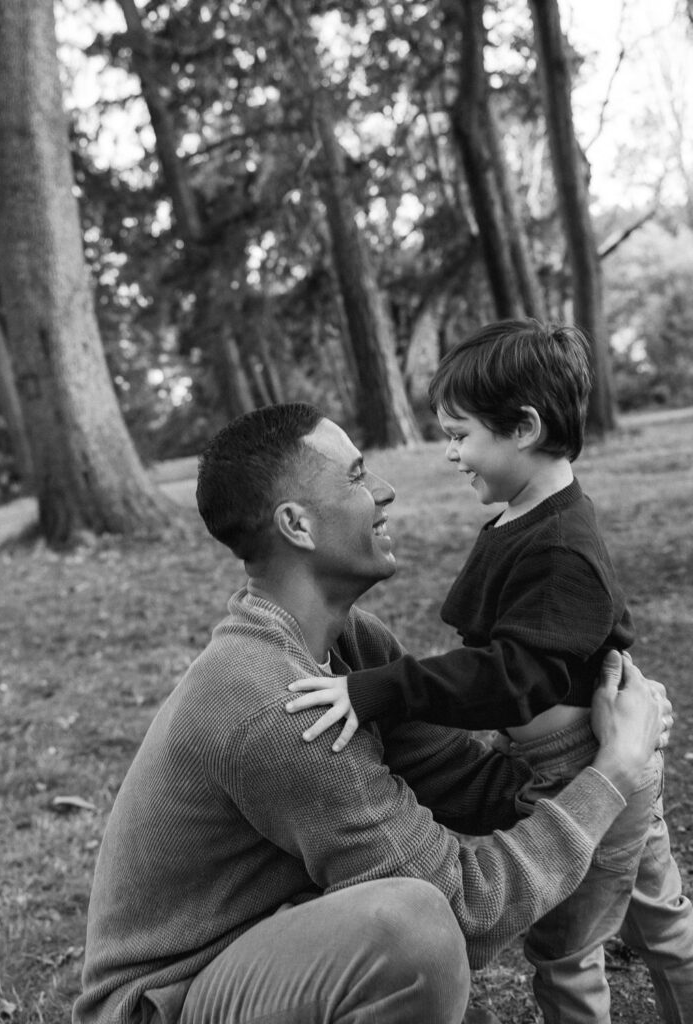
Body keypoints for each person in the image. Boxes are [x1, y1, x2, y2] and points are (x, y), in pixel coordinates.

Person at [73, 402, 672, 1024]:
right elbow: (468, 908)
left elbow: (471, 789)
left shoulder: (351, 644)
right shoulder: (273, 704)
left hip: (276, 948)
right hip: (167, 1000)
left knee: (414, 931)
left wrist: (600, 725)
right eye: (358, 477)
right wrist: (612, 773)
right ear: (297, 525)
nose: (385, 492)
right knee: (413, 933)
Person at [286, 323, 693, 1024]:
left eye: (460, 434)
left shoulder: (563, 547)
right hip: (560, 757)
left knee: (570, 949)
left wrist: (379, 687)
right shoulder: (522, 519)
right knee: (658, 917)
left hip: (589, 767)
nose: (450, 453)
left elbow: (510, 677)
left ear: (525, 428)